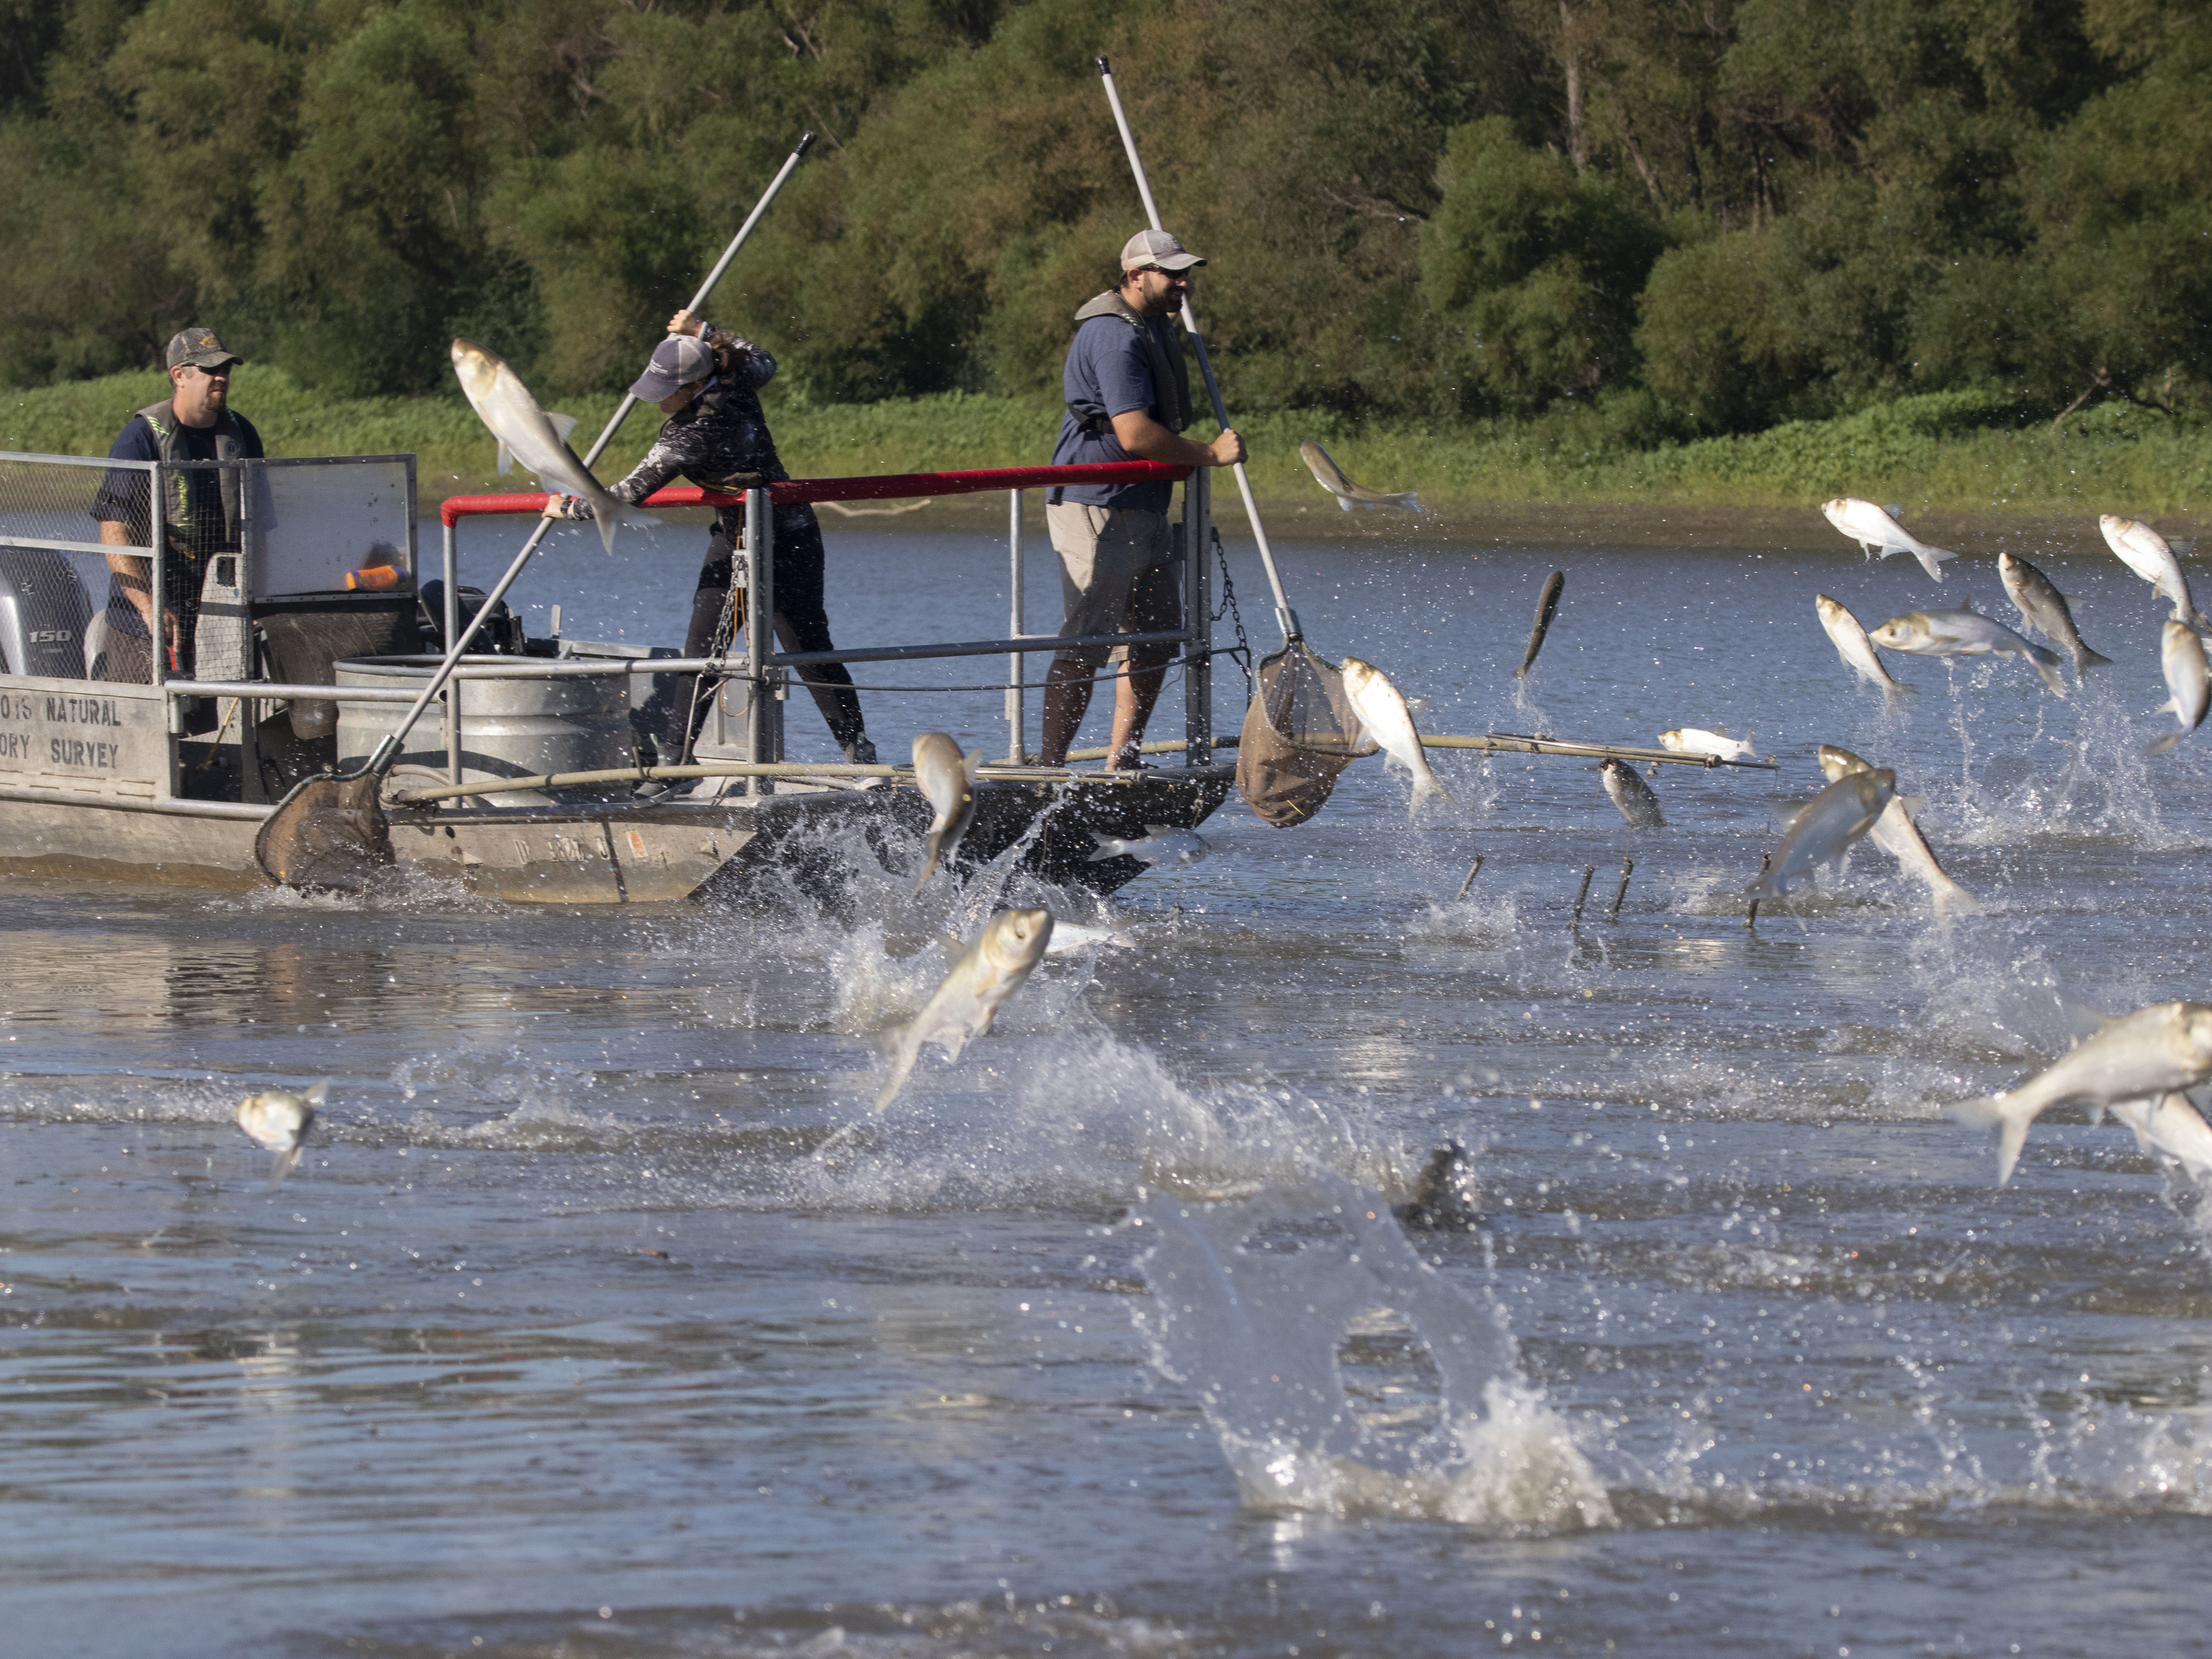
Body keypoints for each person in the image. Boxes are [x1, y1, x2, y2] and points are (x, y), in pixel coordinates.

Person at [547, 311, 873, 765]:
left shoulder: (688, 434)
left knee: (798, 648)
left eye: (666, 393)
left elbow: (626, 494)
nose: (656, 400)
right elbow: (765, 357)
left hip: (775, 541)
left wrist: (569, 508)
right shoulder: (737, 379)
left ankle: (856, 749)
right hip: (764, 531)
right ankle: (680, 757)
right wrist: (701, 331)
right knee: (716, 650)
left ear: (692, 386)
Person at [1039, 229, 1244, 768]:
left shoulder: (1151, 325)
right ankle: (1046, 767)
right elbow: (1133, 434)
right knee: (1089, 638)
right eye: (1170, 274)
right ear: (1133, 276)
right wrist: (1210, 454)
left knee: (1157, 635)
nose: (1184, 283)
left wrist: (1170, 313)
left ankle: (1122, 758)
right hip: (1097, 502)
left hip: (1145, 505)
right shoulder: (1115, 336)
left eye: (1187, 273)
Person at [90, 326, 264, 687]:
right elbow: (113, 531)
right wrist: (148, 606)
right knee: (148, 729)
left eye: (225, 370)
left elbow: (265, 527)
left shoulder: (242, 433)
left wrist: (260, 601)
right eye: (209, 369)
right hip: (147, 614)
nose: (221, 377)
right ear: (179, 376)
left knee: (214, 725)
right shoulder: (139, 438)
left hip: (220, 608)